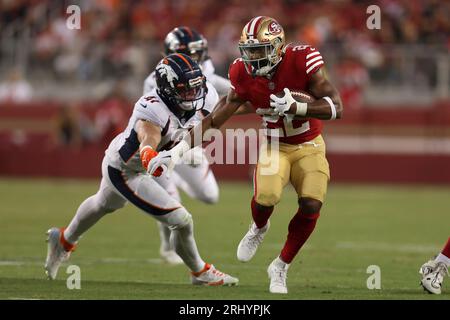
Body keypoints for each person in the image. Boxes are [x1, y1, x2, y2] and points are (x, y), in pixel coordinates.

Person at [148, 16, 343, 294]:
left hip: (309, 145)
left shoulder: (303, 59)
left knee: (312, 205)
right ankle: (258, 228)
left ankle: (280, 266)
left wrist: (298, 108)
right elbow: (215, 120)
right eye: (248, 51)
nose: (252, 58)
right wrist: (176, 152)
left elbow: (337, 107)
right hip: (275, 145)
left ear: (277, 48)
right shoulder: (242, 72)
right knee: (266, 199)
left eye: (259, 51)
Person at [44, 53, 239, 287]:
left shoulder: (205, 95)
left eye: (195, 87)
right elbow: (149, 136)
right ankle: (200, 272)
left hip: (126, 161)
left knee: (103, 204)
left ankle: (64, 239)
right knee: (181, 220)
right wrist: (150, 156)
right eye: (184, 89)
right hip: (126, 169)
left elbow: (217, 117)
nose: (193, 94)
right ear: (167, 89)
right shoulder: (151, 107)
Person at [142, 27, 227, 265]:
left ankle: (177, 179)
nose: (195, 60)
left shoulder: (204, 70)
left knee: (210, 196)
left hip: (189, 144)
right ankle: (168, 248)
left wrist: (241, 91)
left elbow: (216, 84)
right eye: (189, 54)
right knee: (169, 198)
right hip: (165, 145)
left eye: (197, 54)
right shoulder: (155, 82)